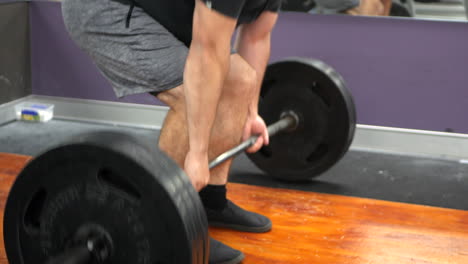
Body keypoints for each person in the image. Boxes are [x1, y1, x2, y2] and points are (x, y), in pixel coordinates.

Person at [61, 0, 282, 263]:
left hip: (153, 12)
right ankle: (157, 222)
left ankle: (211, 200)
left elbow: (257, 37)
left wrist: (251, 110)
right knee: (194, 99)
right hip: (106, 9)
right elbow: (207, 54)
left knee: (239, 79)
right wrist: (197, 154)